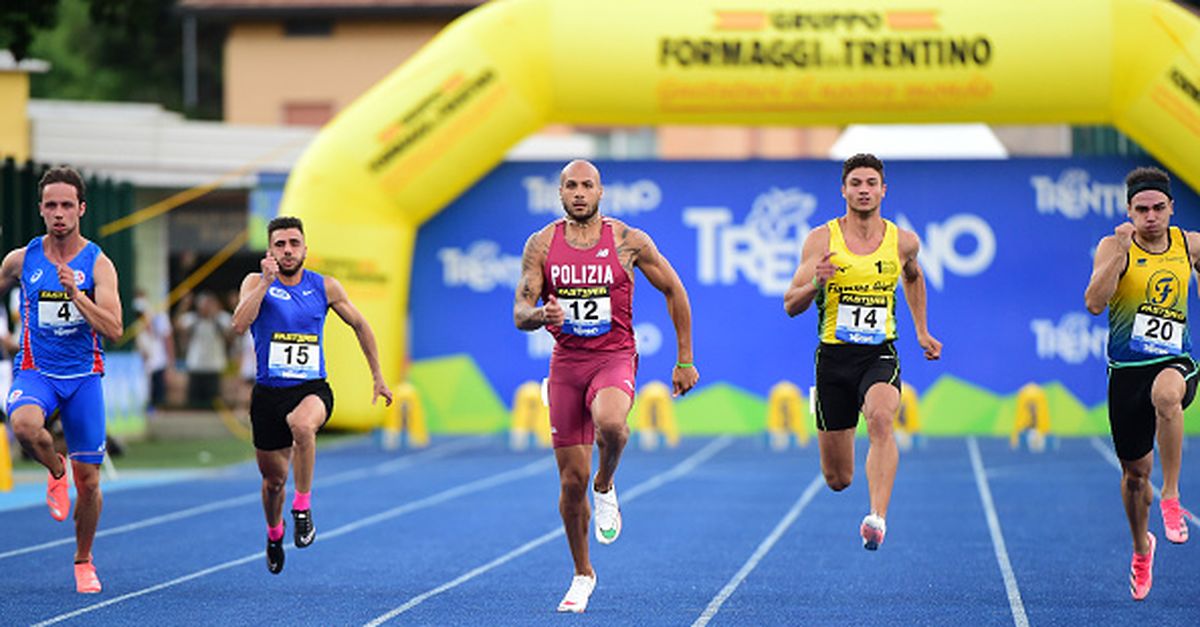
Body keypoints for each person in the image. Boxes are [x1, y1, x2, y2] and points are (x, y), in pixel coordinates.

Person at [513, 159, 699, 613]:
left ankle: (606, 482)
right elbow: (520, 310)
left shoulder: (627, 241)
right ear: (560, 194)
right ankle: (582, 573)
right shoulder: (541, 245)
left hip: (613, 357)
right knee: (568, 482)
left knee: (613, 426)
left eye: (587, 185)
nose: (579, 193)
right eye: (571, 186)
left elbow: (674, 289)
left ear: (601, 192)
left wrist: (685, 358)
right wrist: (542, 316)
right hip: (566, 364)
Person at [784, 153, 941, 551]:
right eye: (856, 183)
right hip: (834, 360)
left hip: (879, 354)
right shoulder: (821, 240)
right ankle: (830, 416)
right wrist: (816, 285)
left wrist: (922, 331)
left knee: (882, 419)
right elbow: (790, 304)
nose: (864, 190)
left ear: (883, 190)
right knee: (838, 479)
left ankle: (877, 518)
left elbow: (914, 277)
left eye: (871, 183)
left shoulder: (903, 241)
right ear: (844, 190)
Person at [231, 215, 393, 574]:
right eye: (280, 245)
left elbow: (361, 325)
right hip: (269, 395)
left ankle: (302, 508)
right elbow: (239, 324)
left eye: (294, 244)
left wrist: (377, 376)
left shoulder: (325, 287)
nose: (288, 251)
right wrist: (264, 286)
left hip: (311, 389)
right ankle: (274, 534)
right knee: (273, 483)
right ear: (270, 251)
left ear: (305, 248)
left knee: (304, 427)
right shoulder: (255, 282)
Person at [0, 166, 123, 593]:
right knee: (23, 426)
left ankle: (84, 560)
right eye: (50, 204)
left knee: (89, 484)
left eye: (66, 205)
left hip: (84, 380)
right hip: (37, 372)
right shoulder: (22, 259)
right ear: (40, 209)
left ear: (81, 209)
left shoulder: (98, 263)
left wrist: (78, 296)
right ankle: (55, 469)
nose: (58, 213)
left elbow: (114, 328)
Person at [1084, 166, 1195, 601]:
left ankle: (1171, 496)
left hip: (1175, 361)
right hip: (1126, 372)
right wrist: (1120, 253)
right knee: (1134, 477)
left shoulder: (1190, 245)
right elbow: (1094, 304)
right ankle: (1140, 548)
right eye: (1141, 209)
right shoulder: (1115, 246)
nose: (1150, 216)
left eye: (1158, 208)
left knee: (1167, 395)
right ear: (1129, 211)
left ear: (1171, 208)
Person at [175, 291, 232, 408]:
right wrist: (184, 306)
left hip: (214, 367)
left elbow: (232, 333)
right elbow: (177, 325)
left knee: (213, 403)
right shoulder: (192, 319)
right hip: (195, 366)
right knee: (193, 403)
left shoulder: (221, 319)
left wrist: (215, 313)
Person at [133, 290, 175, 415]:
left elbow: (167, 338)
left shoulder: (158, 316)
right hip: (139, 361)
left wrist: (170, 361)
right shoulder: (132, 317)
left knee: (156, 389)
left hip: (156, 360)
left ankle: (154, 409)